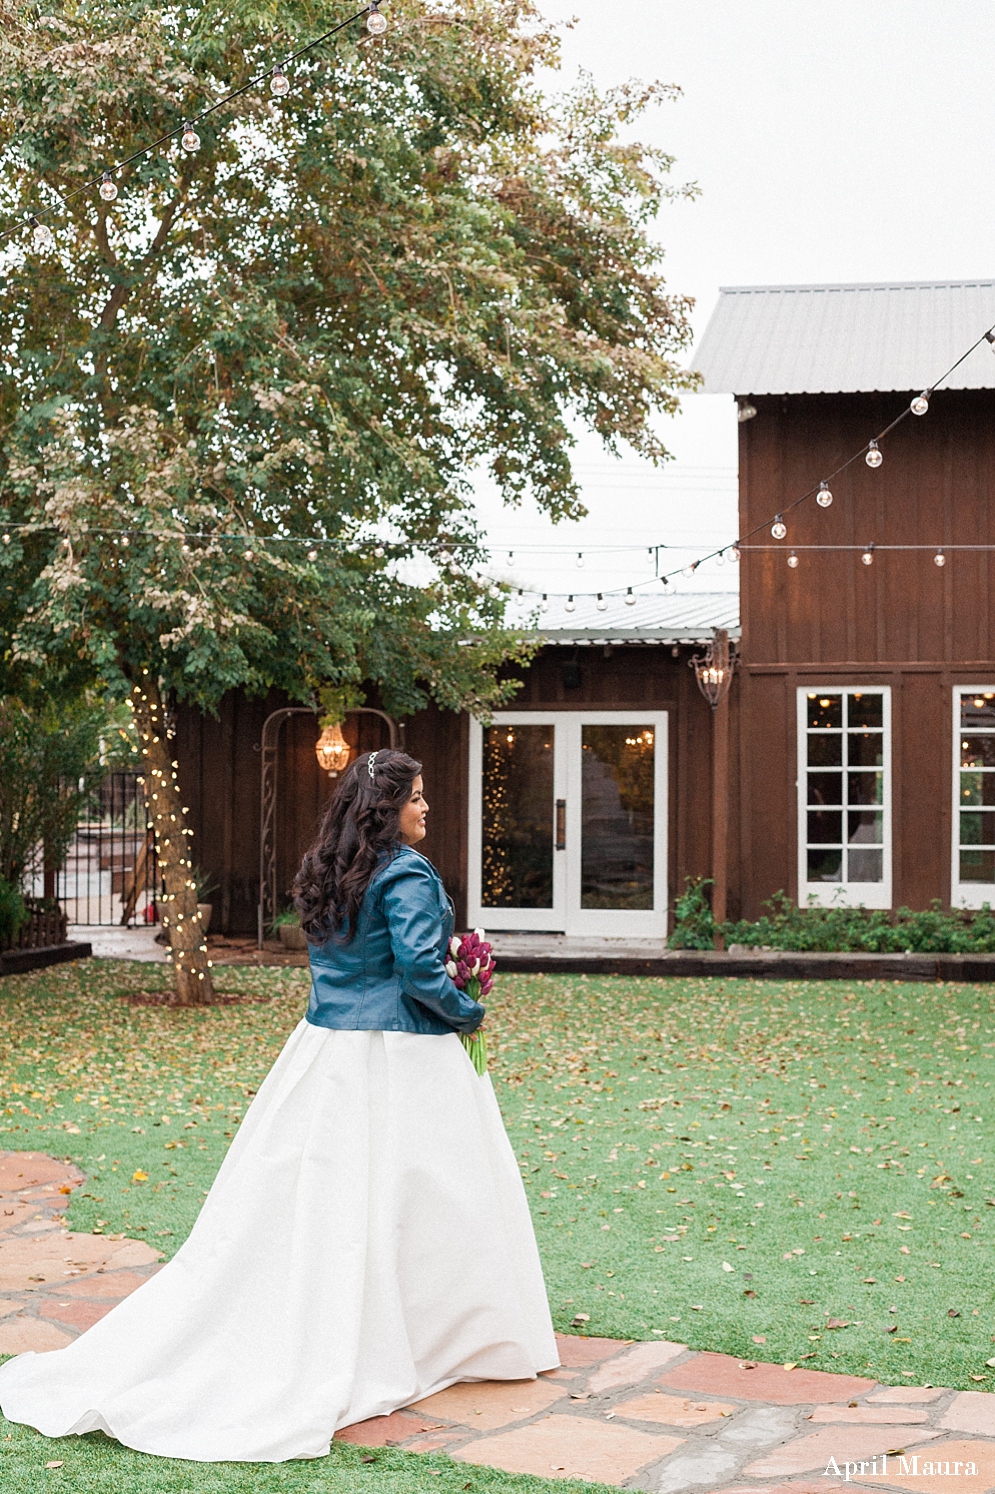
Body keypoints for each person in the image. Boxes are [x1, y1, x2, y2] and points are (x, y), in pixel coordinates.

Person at [0, 749, 558, 1462]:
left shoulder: (325, 871)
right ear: (386, 809)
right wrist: (465, 1011)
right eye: (417, 798)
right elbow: (420, 972)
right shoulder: (409, 873)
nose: (427, 809)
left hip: (326, 1053)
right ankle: (428, 1329)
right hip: (401, 1057)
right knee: (426, 1194)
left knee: (325, 1197)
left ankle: (346, 1315)